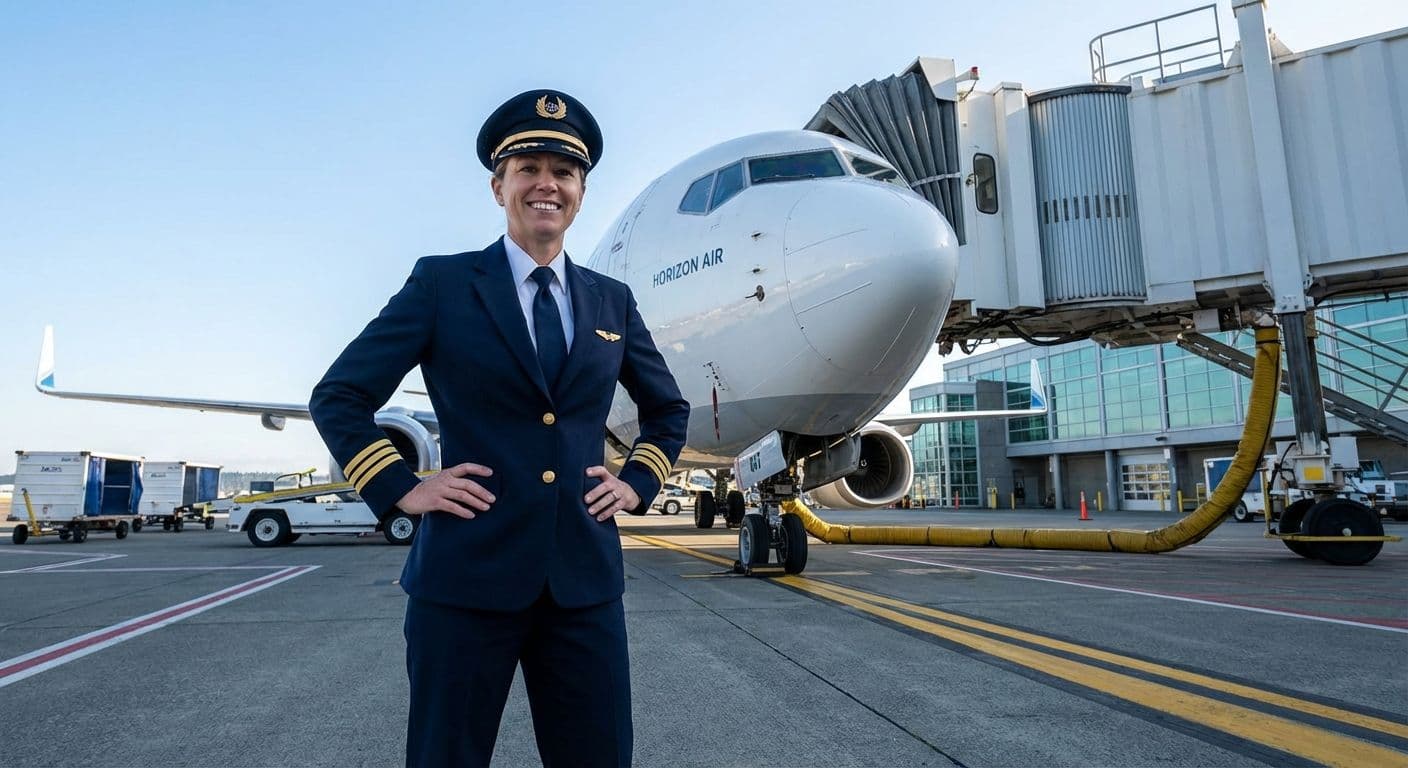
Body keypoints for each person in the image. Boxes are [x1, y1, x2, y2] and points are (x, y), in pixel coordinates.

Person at [309, 88, 690, 768]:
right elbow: (338, 394)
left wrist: (635, 483)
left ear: (580, 191)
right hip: (464, 580)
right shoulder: (443, 285)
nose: (547, 184)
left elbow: (668, 411)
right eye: (529, 168)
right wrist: (401, 486)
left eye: (563, 172)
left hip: (583, 585)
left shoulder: (612, 301)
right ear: (499, 186)